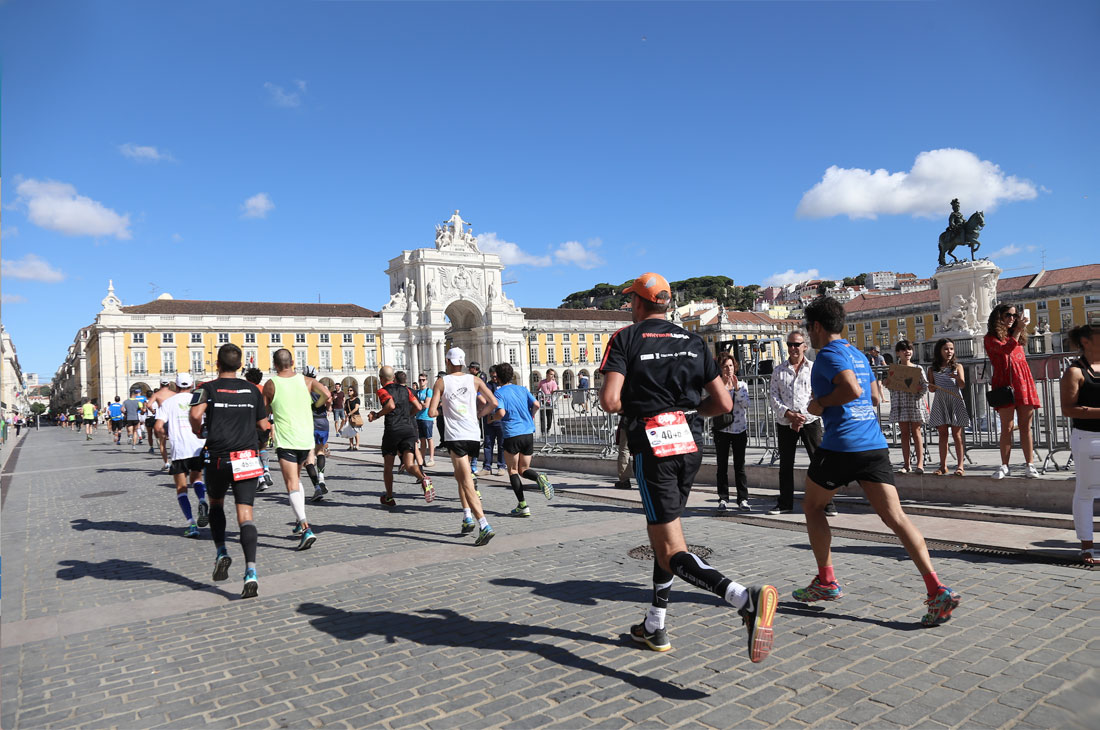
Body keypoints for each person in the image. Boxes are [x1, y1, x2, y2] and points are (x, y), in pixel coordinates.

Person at [600, 271, 777, 661]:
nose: (629, 305)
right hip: (689, 443)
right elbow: (724, 405)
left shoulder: (625, 339)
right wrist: (687, 410)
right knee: (665, 536)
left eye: (631, 299)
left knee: (670, 550)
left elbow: (610, 401)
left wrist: (644, 407)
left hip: (652, 445)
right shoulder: (694, 340)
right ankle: (654, 624)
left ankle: (742, 597)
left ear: (639, 302)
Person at [793, 296, 960, 626]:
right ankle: (935, 588)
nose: (808, 337)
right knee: (896, 518)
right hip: (873, 444)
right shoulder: (857, 353)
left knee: (813, 507)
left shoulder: (827, 354)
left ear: (816, 327)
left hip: (841, 445)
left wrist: (820, 404)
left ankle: (826, 581)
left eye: (807, 329)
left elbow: (853, 391)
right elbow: (874, 396)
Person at [189, 344, 270, 598]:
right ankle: (251, 572)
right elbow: (264, 424)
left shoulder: (206, 388)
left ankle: (222, 551)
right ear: (240, 365)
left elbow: (194, 414)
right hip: (246, 456)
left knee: (216, 505)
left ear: (217, 364)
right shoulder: (252, 390)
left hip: (218, 458)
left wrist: (198, 430)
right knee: (246, 514)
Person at [429, 348, 499, 546]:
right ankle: (466, 515)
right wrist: (478, 415)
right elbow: (493, 402)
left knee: (466, 480)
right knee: (460, 476)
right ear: (463, 362)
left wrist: (446, 408)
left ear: (447, 361)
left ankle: (484, 524)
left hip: (456, 436)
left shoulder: (442, 382)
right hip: (473, 436)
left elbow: (432, 411)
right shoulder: (475, 380)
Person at [262, 348, 327, 550]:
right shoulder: (306, 381)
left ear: (274, 364)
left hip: (287, 440)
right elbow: (325, 393)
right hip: (305, 439)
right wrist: (315, 405)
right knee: (297, 481)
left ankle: (306, 527)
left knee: (291, 484)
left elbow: (263, 412)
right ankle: (299, 522)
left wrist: (271, 412)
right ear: (293, 363)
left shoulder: (271, 384)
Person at [767, 331, 836, 517]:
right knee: (786, 464)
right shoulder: (778, 370)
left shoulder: (814, 369)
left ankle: (827, 502)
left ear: (805, 346)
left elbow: (819, 395)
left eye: (797, 344)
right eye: (790, 344)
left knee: (819, 462)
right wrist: (790, 415)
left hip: (810, 420)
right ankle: (785, 503)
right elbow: (773, 397)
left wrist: (801, 416)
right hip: (785, 422)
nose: (793, 348)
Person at [489, 362, 553, 517]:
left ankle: (523, 506)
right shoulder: (522, 389)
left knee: (512, 471)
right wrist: (531, 416)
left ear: (498, 377)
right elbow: (537, 404)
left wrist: (491, 418)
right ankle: (539, 478)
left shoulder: (499, 393)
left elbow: (501, 413)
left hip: (512, 434)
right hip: (528, 433)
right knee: (523, 469)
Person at [985, 303, 1042, 478]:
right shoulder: (990, 338)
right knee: (1007, 427)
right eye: (1008, 315)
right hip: (1004, 384)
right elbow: (1005, 350)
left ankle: (1030, 464)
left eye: (1014, 315)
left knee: (1026, 427)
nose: (1012, 318)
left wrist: (1018, 330)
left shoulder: (1017, 337)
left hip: (1023, 382)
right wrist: (1018, 330)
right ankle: (1004, 465)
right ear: (998, 317)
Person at [1059, 324, 1100, 566]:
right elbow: (1068, 408)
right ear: (1086, 341)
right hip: (1088, 438)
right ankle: (1087, 546)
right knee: (1086, 492)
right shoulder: (1075, 372)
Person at [368, 366, 435, 506]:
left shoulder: (382, 390)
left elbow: (390, 405)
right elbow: (418, 407)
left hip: (393, 431)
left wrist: (377, 415)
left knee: (388, 467)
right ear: (393, 377)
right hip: (409, 429)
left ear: (381, 378)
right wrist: (406, 416)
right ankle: (424, 479)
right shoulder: (406, 390)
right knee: (410, 464)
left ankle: (389, 497)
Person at [156, 373, 208, 538]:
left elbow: (158, 427)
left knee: (181, 488)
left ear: (176, 386)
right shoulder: (197, 399)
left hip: (179, 449)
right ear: (191, 385)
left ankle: (192, 524)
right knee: (197, 480)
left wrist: (165, 435)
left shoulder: (168, 402)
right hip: (197, 447)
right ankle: (201, 500)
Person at [712, 353, 751, 512]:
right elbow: (714, 405)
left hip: (739, 429)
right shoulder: (716, 387)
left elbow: (746, 404)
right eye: (725, 366)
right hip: (722, 430)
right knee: (722, 466)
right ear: (720, 369)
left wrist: (735, 389)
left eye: (731, 366)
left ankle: (743, 499)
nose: (728, 369)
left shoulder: (741, 385)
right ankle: (723, 498)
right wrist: (723, 388)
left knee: (739, 466)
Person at [927, 338, 968, 476]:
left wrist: (956, 377)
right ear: (939, 351)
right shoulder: (932, 369)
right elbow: (931, 389)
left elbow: (962, 385)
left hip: (955, 400)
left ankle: (960, 466)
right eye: (945, 349)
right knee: (942, 435)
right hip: (940, 401)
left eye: (951, 349)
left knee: (957, 435)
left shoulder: (958, 366)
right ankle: (943, 465)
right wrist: (930, 386)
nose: (949, 351)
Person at [886, 340, 928, 474]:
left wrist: (919, 389)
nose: (907, 352)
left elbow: (925, 386)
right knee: (904, 434)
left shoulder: (918, 368)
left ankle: (920, 463)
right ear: (898, 353)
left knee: (916, 433)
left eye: (909, 349)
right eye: (904, 350)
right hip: (900, 404)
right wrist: (888, 384)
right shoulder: (894, 370)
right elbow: (892, 389)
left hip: (914, 403)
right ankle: (906, 464)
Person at [301, 367, 331, 503]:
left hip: (310, 422)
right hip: (323, 422)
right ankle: (322, 479)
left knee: (308, 459)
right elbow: (329, 400)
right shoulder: (322, 386)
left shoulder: (304, 388)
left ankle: (317, 488)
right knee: (320, 452)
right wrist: (324, 406)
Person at [242, 367, 275, 489]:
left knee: (253, 452)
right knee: (263, 448)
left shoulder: (246, 390)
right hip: (265, 424)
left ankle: (261, 478)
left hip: (251, 425)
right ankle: (266, 469)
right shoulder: (264, 389)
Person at [481, 366, 507, 476]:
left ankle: (501, 466)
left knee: (501, 444)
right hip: (489, 418)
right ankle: (487, 467)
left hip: (500, 419)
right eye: (492, 376)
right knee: (488, 443)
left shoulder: (503, 386)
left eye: (495, 376)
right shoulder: (487, 386)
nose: (494, 378)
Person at [147, 377, 175, 467]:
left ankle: (166, 462)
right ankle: (175, 461)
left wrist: (153, 411)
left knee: (162, 442)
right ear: (169, 384)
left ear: (160, 384)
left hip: (162, 419)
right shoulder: (173, 394)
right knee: (175, 441)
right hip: (173, 419)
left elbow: (148, 405)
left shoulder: (156, 394)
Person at [414, 372, 436, 467]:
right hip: (418, 418)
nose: (421, 382)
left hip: (427, 418)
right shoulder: (417, 392)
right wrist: (420, 404)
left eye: (423, 380)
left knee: (429, 438)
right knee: (422, 440)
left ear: (426, 381)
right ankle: (422, 458)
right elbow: (417, 406)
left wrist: (420, 404)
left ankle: (431, 458)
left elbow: (426, 405)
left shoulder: (429, 391)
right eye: (420, 380)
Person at [537, 370, 559, 436]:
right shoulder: (542, 382)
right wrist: (538, 393)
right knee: (542, 417)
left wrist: (554, 391)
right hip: (542, 401)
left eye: (553, 374)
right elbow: (538, 389)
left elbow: (554, 390)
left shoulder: (553, 383)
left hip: (550, 401)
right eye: (551, 374)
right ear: (547, 374)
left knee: (549, 417)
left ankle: (548, 429)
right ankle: (543, 431)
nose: (553, 376)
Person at [344, 386, 362, 451]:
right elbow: (345, 408)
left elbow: (356, 408)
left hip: (355, 417)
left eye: (351, 390)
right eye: (348, 390)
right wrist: (346, 414)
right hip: (349, 417)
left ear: (354, 391)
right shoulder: (347, 400)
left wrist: (350, 413)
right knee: (350, 431)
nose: (349, 391)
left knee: (355, 431)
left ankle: (357, 445)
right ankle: (351, 445)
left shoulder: (357, 399)